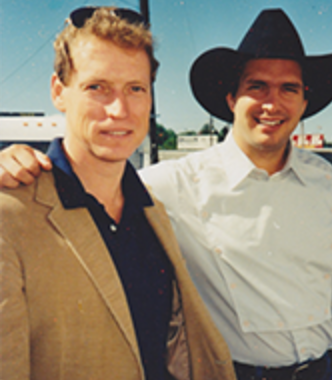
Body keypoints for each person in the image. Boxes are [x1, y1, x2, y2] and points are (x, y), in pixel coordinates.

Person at [0, 8, 332, 380]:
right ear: (232, 99)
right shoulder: (171, 183)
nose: (272, 103)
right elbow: (85, 181)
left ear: (304, 102)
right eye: (257, 86)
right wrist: (14, 160)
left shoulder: (327, 182)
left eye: (289, 89)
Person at [0, 6, 237, 380]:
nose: (119, 110)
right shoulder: (9, 215)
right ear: (58, 92)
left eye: (135, 89)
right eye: (97, 87)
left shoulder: (153, 210)